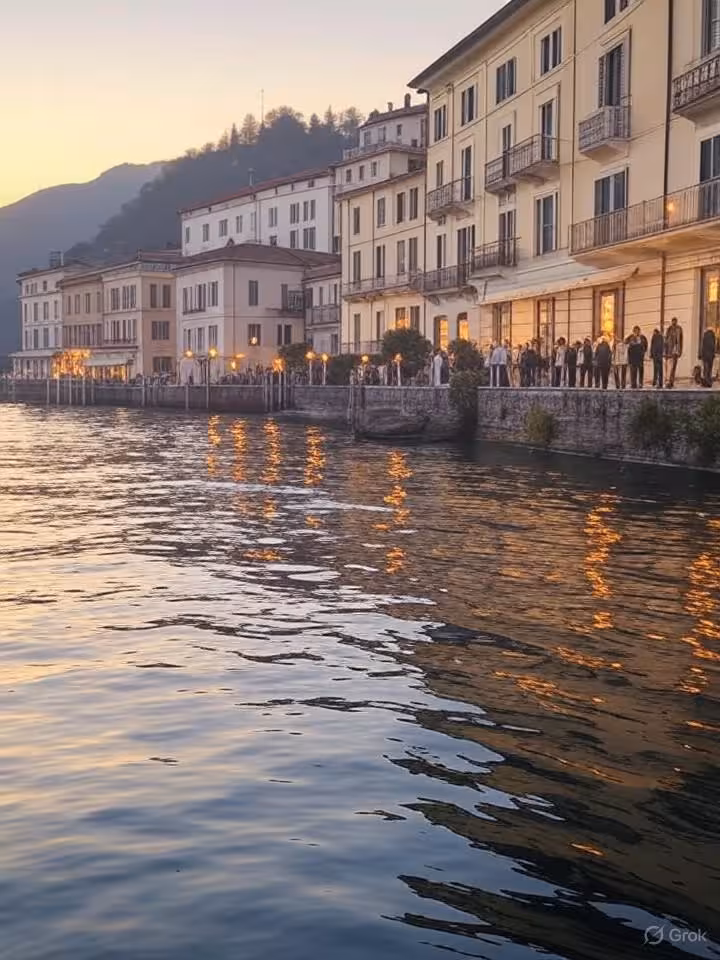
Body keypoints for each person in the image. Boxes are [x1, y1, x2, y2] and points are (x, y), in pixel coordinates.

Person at [665, 316, 683, 388]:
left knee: (674, 366)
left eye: (675, 321)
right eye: (673, 321)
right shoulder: (669, 329)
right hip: (670, 349)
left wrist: (680, 350)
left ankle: (671, 381)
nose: (674, 322)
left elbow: (681, 340)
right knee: (670, 366)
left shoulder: (679, 329)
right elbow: (666, 340)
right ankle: (668, 381)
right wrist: (666, 351)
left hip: (676, 349)